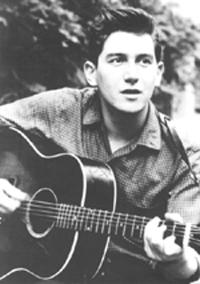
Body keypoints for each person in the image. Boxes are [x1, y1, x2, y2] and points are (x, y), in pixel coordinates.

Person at [0, 6, 199, 284]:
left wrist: (176, 258)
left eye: (143, 61)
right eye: (117, 60)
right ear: (92, 73)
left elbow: (186, 267)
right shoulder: (60, 109)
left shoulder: (185, 156)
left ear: (159, 74)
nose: (132, 75)